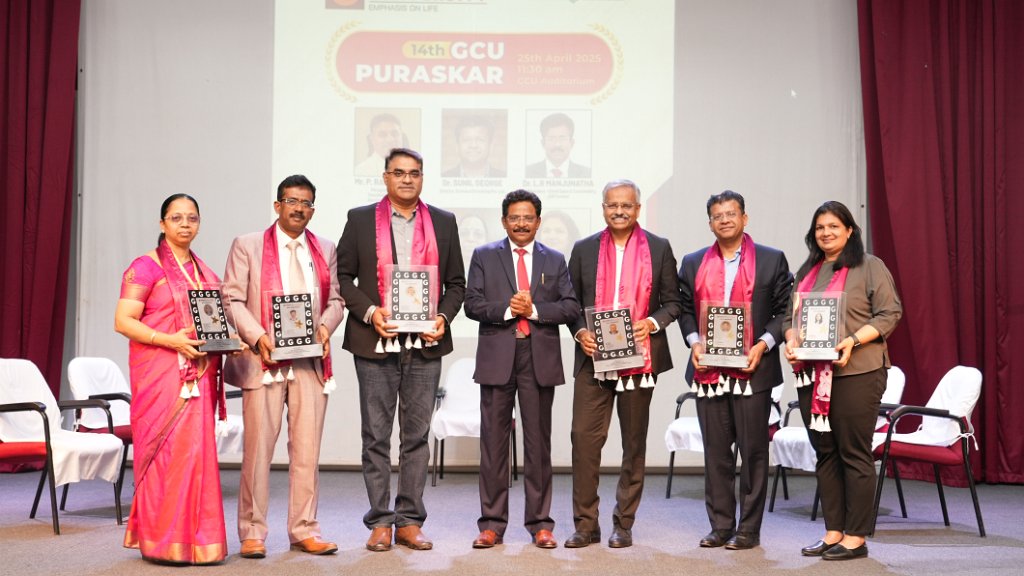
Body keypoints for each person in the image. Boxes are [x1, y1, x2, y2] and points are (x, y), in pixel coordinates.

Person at [337, 148, 466, 552]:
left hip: (425, 345)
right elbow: (342, 277)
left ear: (422, 178)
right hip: (375, 342)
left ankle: (409, 521)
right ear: (385, 177)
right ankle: (379, 521)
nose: (407, 179)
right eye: (399, 173)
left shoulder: (443, 222)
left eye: (414, 173)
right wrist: (370, 311)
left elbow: (456, 284)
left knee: (416, 436)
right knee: (375, 436)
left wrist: (442, 317)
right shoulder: (360, 220)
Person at [222, 175, 346, 559]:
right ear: (277, 205)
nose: (299, 209)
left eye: (306, 203)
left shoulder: (325, 248)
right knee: (258, 451)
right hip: (264, 360)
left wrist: (325, 328)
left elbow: (336, 300)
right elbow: (232, 299)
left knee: (307, 451)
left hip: (309, 362)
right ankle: (252, 531)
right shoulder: (248, 245)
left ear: (313, 210)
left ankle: (304, 529)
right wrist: (259, 336)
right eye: (292, 201)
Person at [565, 179, 682, 548]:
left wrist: (650, 324)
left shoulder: (659, 248)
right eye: (612, 205)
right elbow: (570, 303)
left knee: (633, 443)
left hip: (640, 363)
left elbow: (673, 303)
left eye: (626, 205)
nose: (619, 211)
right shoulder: (583, 249)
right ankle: (586, 525)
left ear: (638, 208)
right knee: (584, 440)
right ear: (603, 208)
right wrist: (580, 332)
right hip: (593, 362)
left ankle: (623, 523)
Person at [114, 194, 231, 564]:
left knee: (196, 455)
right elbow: (123, 321)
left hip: (199, 375)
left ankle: (198, 543)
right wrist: (170, 340)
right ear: (162, 223)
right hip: (161, 376)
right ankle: (162, 542)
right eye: (176, 218)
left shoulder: (204, 272)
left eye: (192, 218)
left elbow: (212, 323)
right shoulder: (145, 267)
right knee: (168, 454)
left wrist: (230, 342)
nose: (185, 224)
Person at [783, 200, 902, 561]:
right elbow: (790, 318)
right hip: (812, 374)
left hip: (858, 372)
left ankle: (856, 536)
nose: (826, 233)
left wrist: (852, 341)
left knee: (853, 452)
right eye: (820, 227)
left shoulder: (869, 266)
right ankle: (833, 531)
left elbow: (890, 313)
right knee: (825, 453)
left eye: (834, 226)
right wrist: (791, 341)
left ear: (850, 230)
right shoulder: (808, 270)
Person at [677, 190, 793, 551]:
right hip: (708, 371)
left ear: (744, 218)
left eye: (731, 213)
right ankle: (721, 526)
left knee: (753, 452)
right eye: (717, 215)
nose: (724, 220)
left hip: (754, 369)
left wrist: (764, 344)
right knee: (716, 453)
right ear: (710, 223)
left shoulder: (771, 260)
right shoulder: (693, 262)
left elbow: (785, 311)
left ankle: (749, 529)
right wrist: (695, 342)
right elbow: (684, 309)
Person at [464, 189, 579, 550]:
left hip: (538, 357)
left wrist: (534, 311)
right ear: (504, 221)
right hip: (497, 356)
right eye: (514, 217)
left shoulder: (554, 259)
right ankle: (491, 524)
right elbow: (471, 304)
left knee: (538, 444)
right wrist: (508, 309)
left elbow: (570, 307)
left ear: (538, 221)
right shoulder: (484, 255)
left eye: (528, 218)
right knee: (493, 446)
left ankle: (541, 524)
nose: (521, 224)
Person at [525, 113, 591, 178]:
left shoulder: (587, 174)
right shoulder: (527, 173)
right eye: (551, 139)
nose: (557, 144)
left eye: (562, 138)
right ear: (543, 143)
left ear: (572, 143)